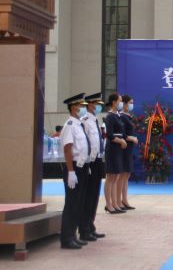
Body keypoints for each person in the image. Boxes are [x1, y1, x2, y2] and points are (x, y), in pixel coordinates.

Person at [59, 93, 91, 249]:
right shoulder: (69, 125)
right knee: (71, 203)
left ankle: (73, 235)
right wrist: (71, 172)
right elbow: (68, 149)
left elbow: (83, 147)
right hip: (73, 168)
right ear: (73, 107)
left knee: (78, 203)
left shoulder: (79, 125)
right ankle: (66, 238)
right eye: (80, 106)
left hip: (82, 167)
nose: (83, 108)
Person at [80, 93, 106, 241]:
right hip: (89, 161)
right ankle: (84, 229)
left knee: (95, 195)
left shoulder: (95, 120)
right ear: (89, 105)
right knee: (88, 196)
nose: (98, 106)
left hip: (98, 160)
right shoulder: (84, 121)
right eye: (96, 104)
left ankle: (91, 225)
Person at [103, 92, 127, 213]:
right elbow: (109, 135)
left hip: (118, 148)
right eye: (119, 100)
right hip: (112, 148)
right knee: (110, 177)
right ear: (114, 102)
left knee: (116, 176)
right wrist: (120, 141)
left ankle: (115, 203)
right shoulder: (110, 116)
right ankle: (108, 204)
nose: (121, 103)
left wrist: (123, 140)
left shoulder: (117, 115)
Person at [118, 94, 139, 210]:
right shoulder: (122, 116)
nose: (132, 105)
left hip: (129, 148)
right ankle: (118, 201)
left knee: (127, 174)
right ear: (124, 104)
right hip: (124, 148)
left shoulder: (128, 116)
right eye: (130, 103)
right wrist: (130, 138)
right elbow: (121, 133)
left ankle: (124, 200)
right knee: (122, 175)